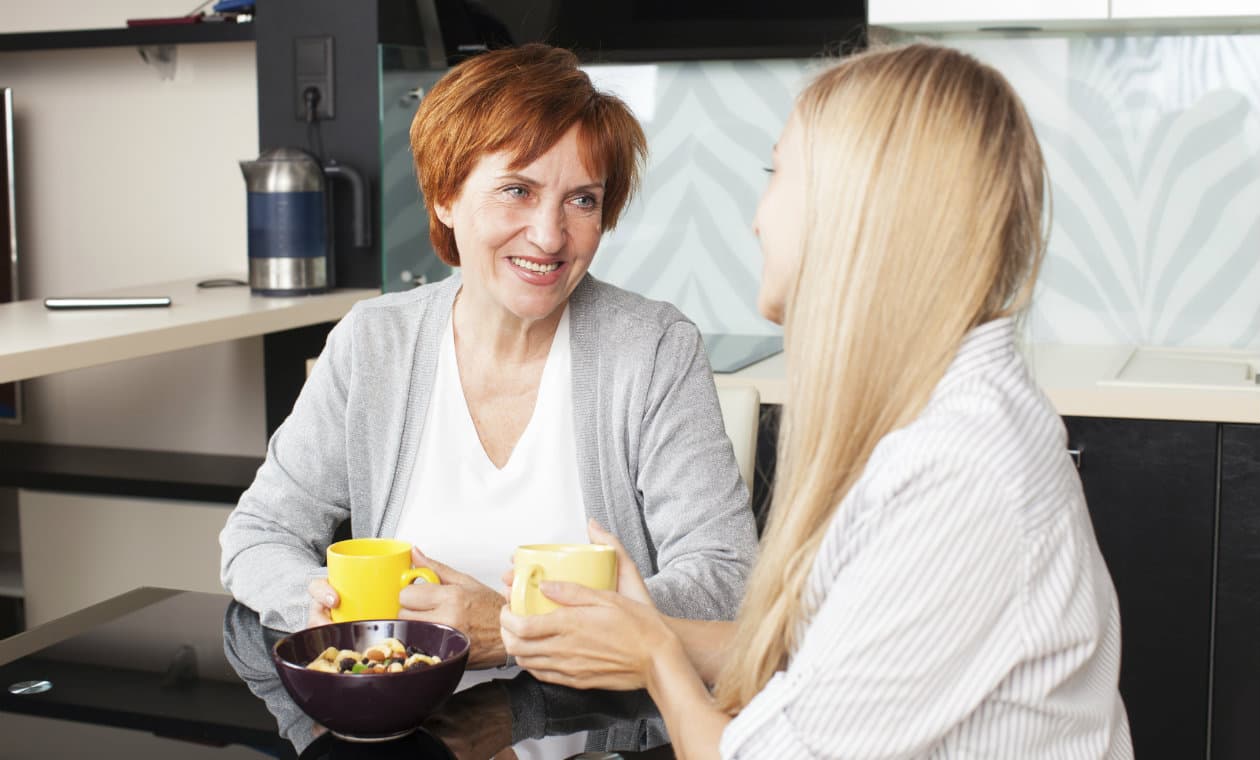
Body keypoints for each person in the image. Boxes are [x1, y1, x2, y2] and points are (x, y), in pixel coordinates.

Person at [500, 43, 1135, 758]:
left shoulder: (957, 471)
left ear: (858, 212)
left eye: (779, 176)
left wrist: (655, 654)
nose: (758, 220)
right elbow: (823, 664)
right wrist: (643, 627)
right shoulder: (940, 416)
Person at [219, 42, 758, 749]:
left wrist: (509, 626)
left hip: (603, 729)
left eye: (582, 199)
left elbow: (727, 583)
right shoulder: (375, 343)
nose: (550, 234)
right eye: (517, 190)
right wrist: (333, 607)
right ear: (445, 194)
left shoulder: (651, 348)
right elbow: (257, 536)